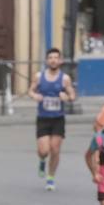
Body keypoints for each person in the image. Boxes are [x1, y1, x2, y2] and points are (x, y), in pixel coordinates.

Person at [29, 46, 76, 189]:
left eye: (56, 58)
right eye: (51, 58)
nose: (53, 61)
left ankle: (50, 177)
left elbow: (72, 96)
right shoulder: (39, 76)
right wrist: (35, 96)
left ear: (60, 61)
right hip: (43, 118)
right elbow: (30, 90)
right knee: (44, 151)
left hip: (58, 118)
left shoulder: (65, 78)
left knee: (55, 149)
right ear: (46, 61)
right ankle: (42, 161)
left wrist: (66, 97)